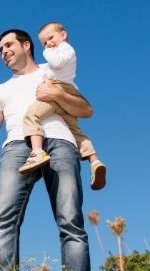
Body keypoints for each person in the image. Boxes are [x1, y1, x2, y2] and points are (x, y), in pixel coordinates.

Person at [0, 29, 93, 271]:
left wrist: (55, 95)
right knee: (3, 222)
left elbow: (85, 109)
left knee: (71, 220)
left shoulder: (54, 71)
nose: (3, 51)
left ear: (26, 45)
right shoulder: (0, 90)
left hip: (60, 142)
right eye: (0, 48)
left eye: (8, 44)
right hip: (16, 147)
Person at [19, 22, 107, 190]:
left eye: (50, 38)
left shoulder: (66, 49)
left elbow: (57, 62)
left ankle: (37, 152)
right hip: (66, 89)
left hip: (57, 88)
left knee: (32, 115)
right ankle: (94, 161)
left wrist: (47, 51)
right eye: (44, 43)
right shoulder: (62, 51)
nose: (48, 44)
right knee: (75, 131)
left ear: (63, 35)